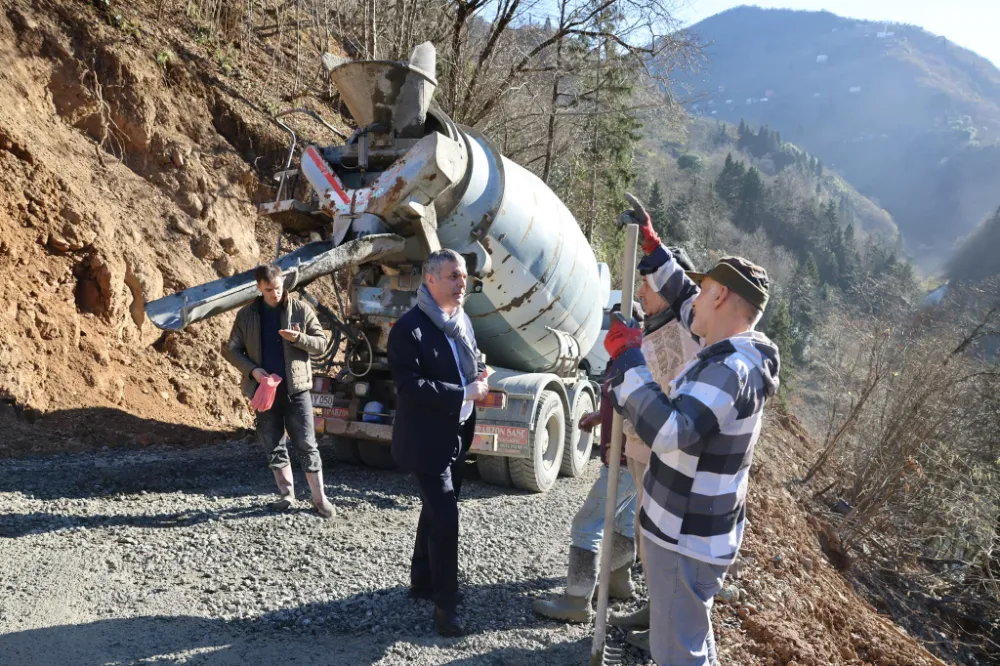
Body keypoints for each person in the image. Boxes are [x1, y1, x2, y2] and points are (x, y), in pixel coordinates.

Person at [604, 195, 780, 666]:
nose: (694, 299)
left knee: (678, 653)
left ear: (721, 297)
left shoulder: (731, 371)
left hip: (686, 538)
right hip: (694, 533)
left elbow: (669, 432)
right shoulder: (728, 348)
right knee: (691, 639)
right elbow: (682, 297)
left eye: (706, 292)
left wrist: (627, 363)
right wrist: (653, 247)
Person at [387, 249, 489, 638]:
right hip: (426, 440)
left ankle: (421, 580)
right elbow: (410, 388)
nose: (462, 283)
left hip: (457, 435)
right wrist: (465, 391)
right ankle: (446, 607)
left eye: (463, 276)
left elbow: (472, 361)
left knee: (435, 510)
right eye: (453, 277)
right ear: (430, 280)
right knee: (446, 518)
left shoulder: (460, 319)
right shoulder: (409, 329)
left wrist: (481, 375)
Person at [611, 251, 703, 653]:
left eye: (649, 284)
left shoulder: (685, 334)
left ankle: (668, 629)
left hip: (662, 454)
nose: (641, 292)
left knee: (665, 543)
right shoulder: (653, 326)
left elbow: (668, 393)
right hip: (639, 447)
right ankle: (655, 611)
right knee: (646, 537)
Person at [531, 304, 645, 624]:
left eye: (615, 325)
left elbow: (640, 407)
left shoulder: (633, 358)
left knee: (587, 525)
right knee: (622, 521)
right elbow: (621, 402)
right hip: (632, 459)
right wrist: (600, 415)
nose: (609, 332)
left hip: (624, 460)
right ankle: (619, 580)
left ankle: (577, 600)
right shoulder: (630, 355)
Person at [223, 264, 335, 518]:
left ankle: (320, 499)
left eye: (278, 287)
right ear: (259, 288)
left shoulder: (301, 309)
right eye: (269, 289)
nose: (275, 293)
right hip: (264, 391)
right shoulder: (246, 315)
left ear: (283, 283)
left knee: (306, 443)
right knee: (272, 441)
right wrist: (253, 371)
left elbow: (321, 343)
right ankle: (286, 496)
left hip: (297, 390)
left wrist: (298, 339)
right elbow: (232, 349)